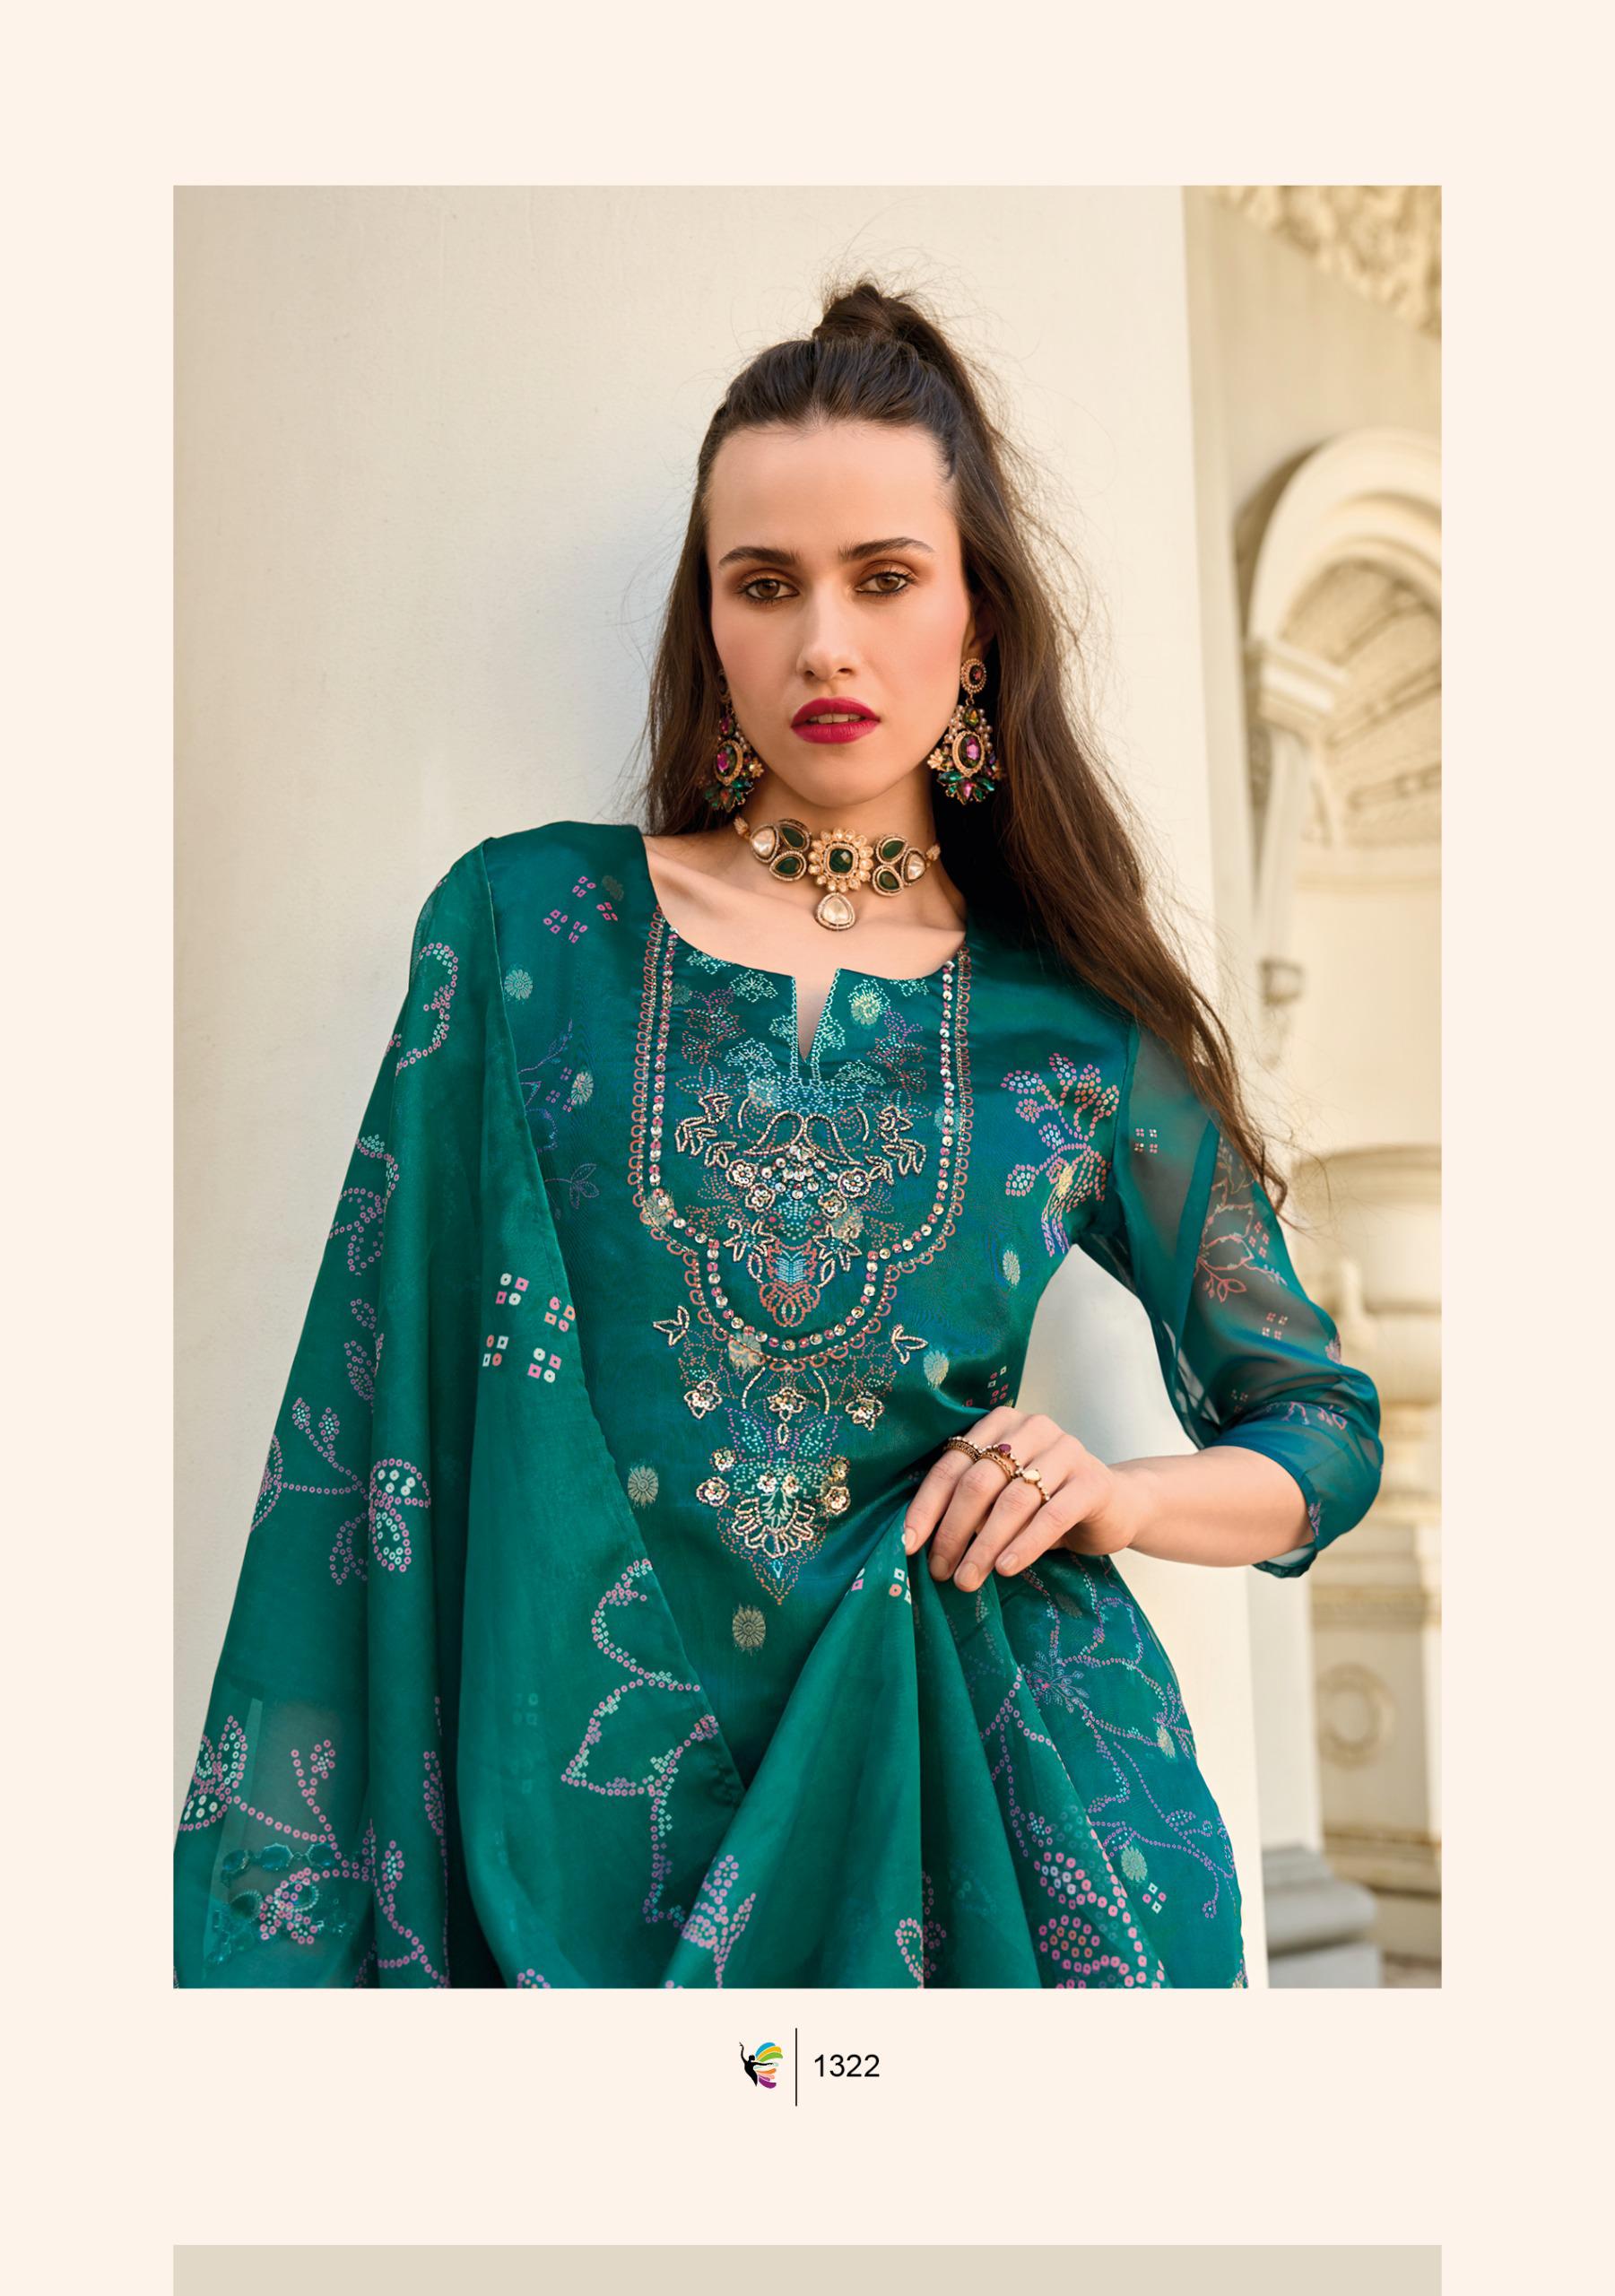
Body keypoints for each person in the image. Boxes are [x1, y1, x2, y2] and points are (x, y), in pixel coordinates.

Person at [174, 277, 1382, 1989]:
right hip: (561, 1819)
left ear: (974, 619)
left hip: (953, 1818)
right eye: (765, 584)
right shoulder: (524, 936)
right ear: (710, 622)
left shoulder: (1068, 1029)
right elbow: (375, 1418)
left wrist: (1111, 1495)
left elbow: (1319, 1429)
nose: (824, 641)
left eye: (883, 579)